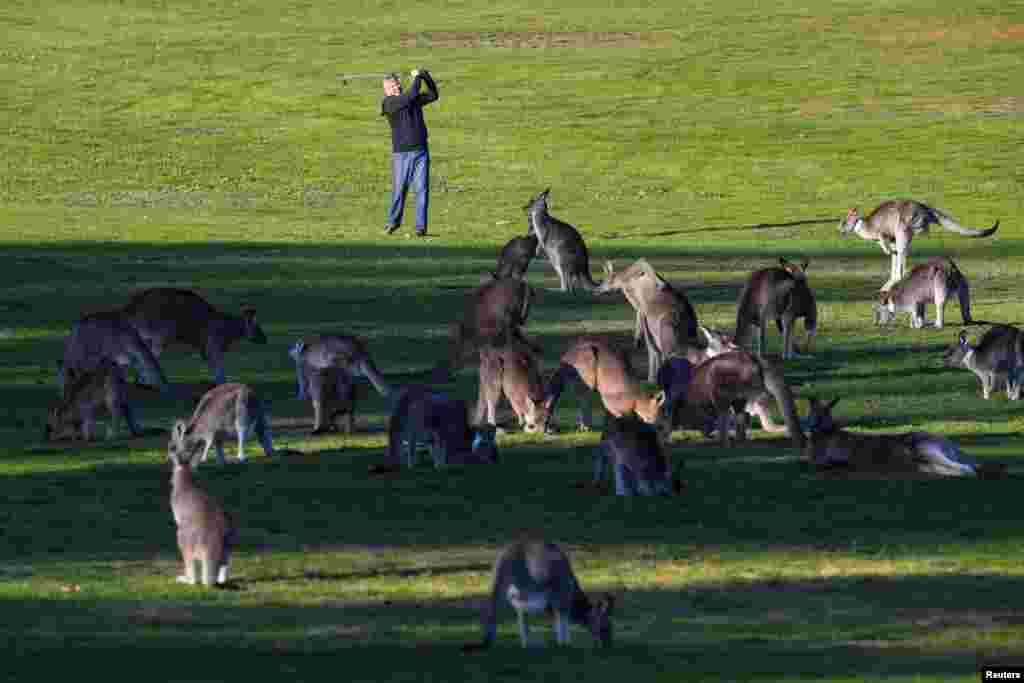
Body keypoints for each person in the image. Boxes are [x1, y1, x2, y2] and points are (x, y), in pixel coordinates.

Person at [381, 69, 438, 237]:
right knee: (400, 190)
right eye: (391, 86)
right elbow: (412, 93)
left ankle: (421, 228)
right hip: (402, 154)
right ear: (386, 90)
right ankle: (393, 223)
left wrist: (426, 76)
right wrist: (418, 78)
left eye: (397, 84)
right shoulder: (388, 103)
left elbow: (434, 94)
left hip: (421, 150)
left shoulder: (412, 100)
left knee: (422, 189)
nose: (395, 87)